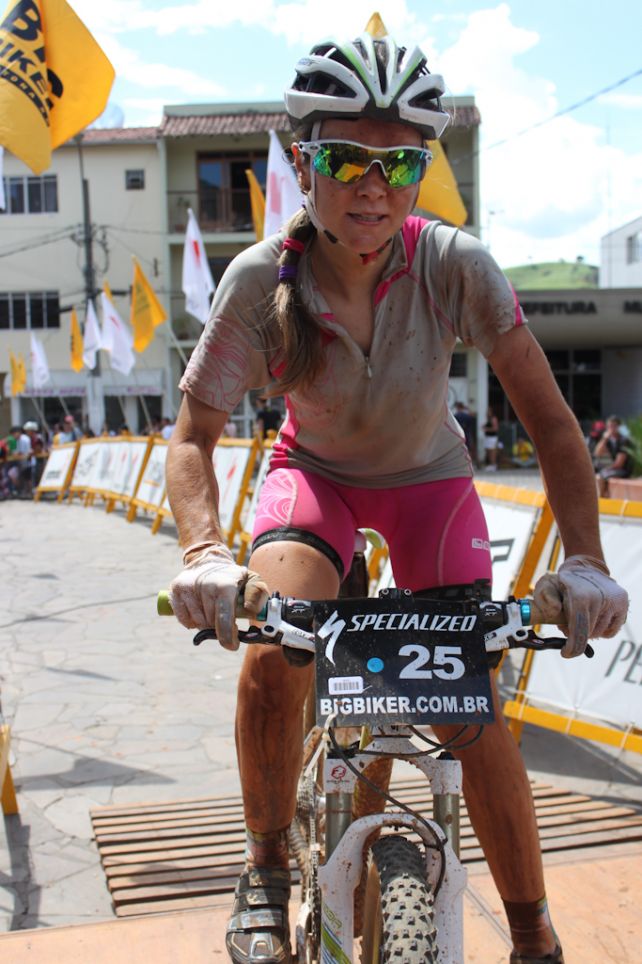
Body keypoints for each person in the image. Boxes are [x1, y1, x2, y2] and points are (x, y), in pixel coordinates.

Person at [166, 27, 628, 964]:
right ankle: (264, 870)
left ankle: (534, 933)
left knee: (475, 708)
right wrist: (203, 553)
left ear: (423, 170)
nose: (373, 185)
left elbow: (550, 423)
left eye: (400, 162)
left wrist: (586, 558)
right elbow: (192, 439)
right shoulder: (260, 278)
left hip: (430, 485)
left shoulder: (458, 263)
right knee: (274, 646)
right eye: (345, 159)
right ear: (305, 163)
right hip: (317, 479)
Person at [593, 415, 634, 496]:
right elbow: (597, 453)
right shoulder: (609, 440)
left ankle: (600, 500)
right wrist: (604, 439)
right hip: (615, 469)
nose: (611, 429)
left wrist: (606, 469)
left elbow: (619, 464)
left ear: (619, 427)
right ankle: (601, 499)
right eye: (609, 426)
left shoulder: (624, 441)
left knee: (600, 477)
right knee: (598, 476)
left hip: (624, 470)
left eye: (613, 426)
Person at [453, 400, 478, 465]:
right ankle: (470, 463)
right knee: (468, 449)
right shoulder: (467, 415)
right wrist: (468, 409)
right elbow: (474, 417)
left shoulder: (455, 415)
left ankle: (459, 463)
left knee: (458, 449)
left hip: (458, 434)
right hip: (467, 434)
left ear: (457, 407)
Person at [483, 406, 500, 471]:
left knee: (492, 452)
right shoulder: (488, 419)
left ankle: (494, 465)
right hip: (488, 437)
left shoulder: (493, 419)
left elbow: (495, 429)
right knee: (488, 451)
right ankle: (490, 464)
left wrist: (487, 429)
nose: (488, 413)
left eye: (489, 411)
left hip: (492, 437)